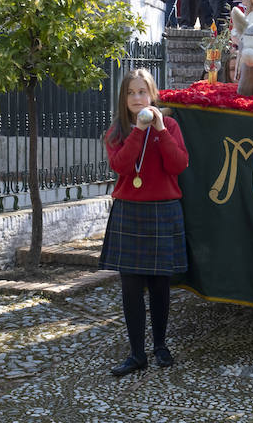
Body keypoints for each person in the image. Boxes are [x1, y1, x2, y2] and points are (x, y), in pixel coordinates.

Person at [99, 69, 189, 376]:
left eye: (142, 92)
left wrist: (161, 130)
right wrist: (138, 130)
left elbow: (178, 164)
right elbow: (121, 165)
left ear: (152, 94)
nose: (137, 98)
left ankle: (161, 345)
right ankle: (137, 353)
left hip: (163, 209)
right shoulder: (116, 131)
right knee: (131, 287)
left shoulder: (172, 126)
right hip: (130, 211)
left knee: (160, 283)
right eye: (131, 93)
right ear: (123, 99)